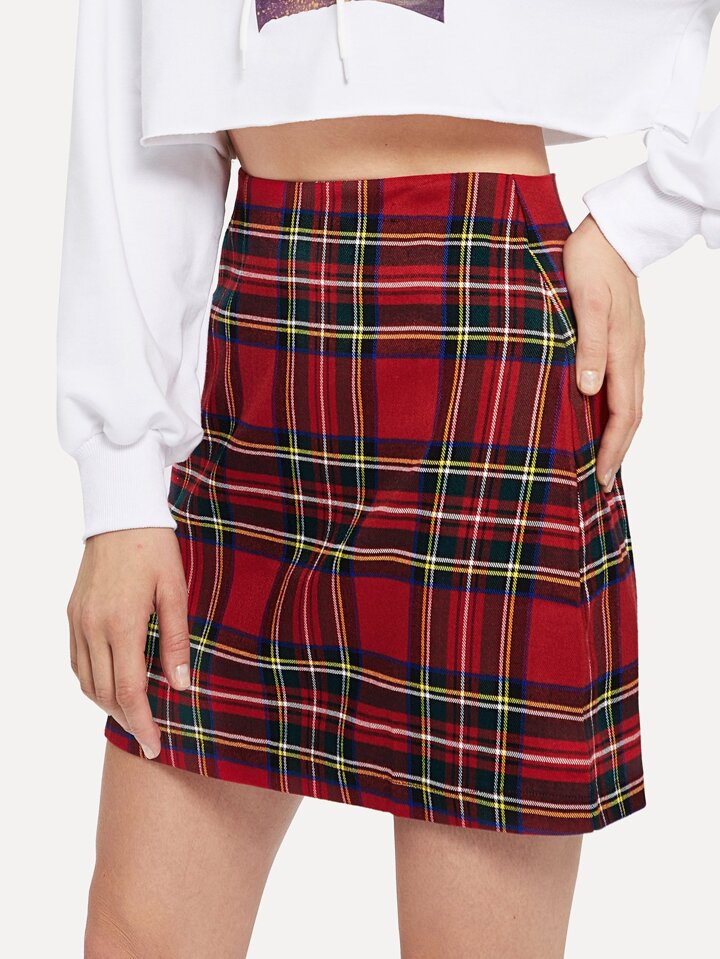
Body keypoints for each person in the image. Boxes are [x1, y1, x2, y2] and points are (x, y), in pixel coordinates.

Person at [56, 2, 719, 957]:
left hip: (485, 330)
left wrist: (642, 218)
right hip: (252, 343)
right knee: (138, 933)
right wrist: (120, 483)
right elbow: (134, 73)